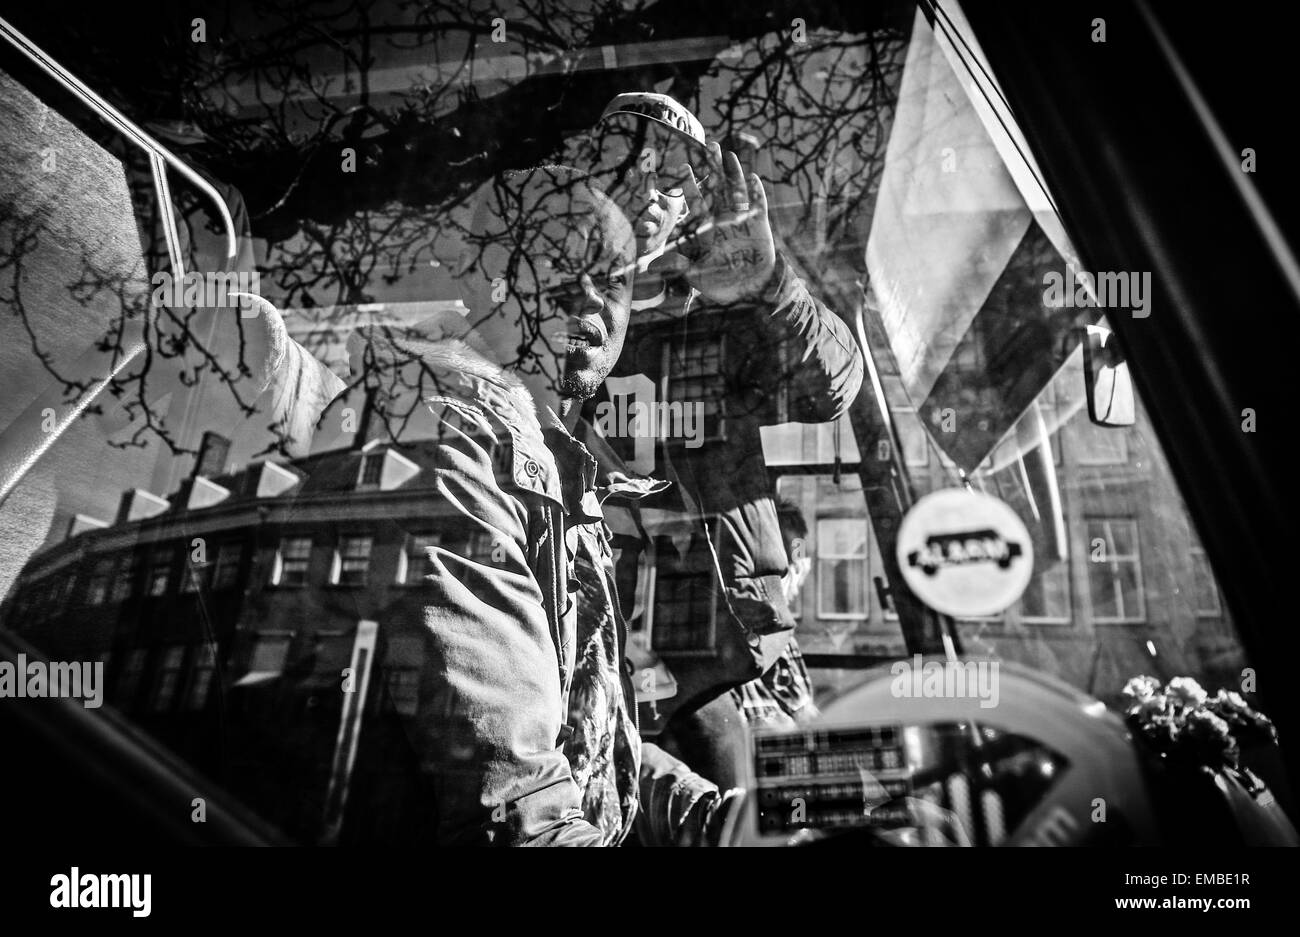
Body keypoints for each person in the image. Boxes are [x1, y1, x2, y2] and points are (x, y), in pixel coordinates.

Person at [241, 165, 738, 845]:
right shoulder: (457, 442)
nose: (589, 294)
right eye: (561, 262)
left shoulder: (562, 479)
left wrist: (738, 822)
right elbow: (516, 809)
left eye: (614, 279)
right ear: (484, 279)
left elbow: (591, 751)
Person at [583, 93, 863, 770]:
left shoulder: (724, 315)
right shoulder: (565, 327)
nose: (648, 189)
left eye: (671, 174)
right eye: (630, 168)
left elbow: (833, 387)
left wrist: (769, 287)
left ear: (693, 200)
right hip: (597, 646)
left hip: (730, 647)